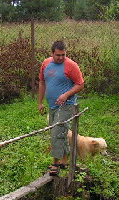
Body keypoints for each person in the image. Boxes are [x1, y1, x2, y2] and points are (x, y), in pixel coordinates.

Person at [38, 40, 84, 176]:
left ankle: (55, 164)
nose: (61, 58)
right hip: (52, 105)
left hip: (66, 105)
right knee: (60, 131)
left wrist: (66, 95)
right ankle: (65, 159)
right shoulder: (46, 64)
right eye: (58, 55)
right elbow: (41, 82)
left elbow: (80, 84)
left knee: (57, 132)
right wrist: (40, 102)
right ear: (52, 53)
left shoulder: (71, 66)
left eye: (63, 55)